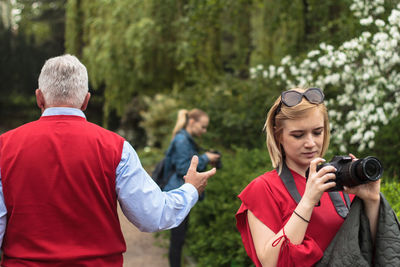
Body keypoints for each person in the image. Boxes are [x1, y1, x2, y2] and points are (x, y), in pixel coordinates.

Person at [0, 54, 216, 266]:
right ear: (86, 100)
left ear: (39, 97)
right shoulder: (116, 148)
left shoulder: (4, 147)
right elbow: (152, 215)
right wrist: (190, 189)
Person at [235, 87, 382, 266]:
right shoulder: (263, 188)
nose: (311, 143)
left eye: (317, 132)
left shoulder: (343, 180)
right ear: (277, 135)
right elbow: (270, 262)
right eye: (298, 135)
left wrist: (373, 200)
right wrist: (308, 200)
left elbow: (374, 250)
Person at [163, 109, 220, 267]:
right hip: (178, 195)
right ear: (192, 122)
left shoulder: (186, 140)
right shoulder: (182, 140)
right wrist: (205, 158)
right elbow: (183, 168)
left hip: (181, 193)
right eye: (202, 127)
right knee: (177, 239)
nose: (204, 130)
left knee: (179, 239)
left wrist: (205, 158)